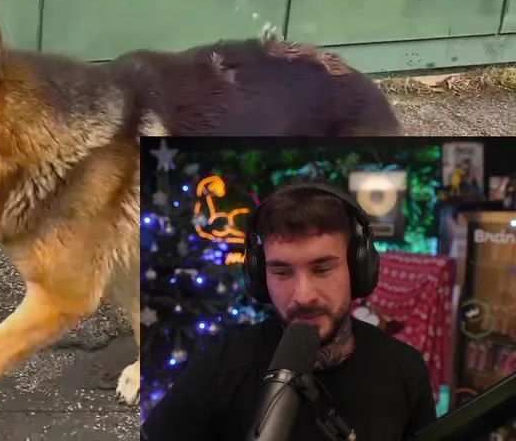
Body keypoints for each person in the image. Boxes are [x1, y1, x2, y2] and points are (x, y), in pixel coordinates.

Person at [142, 180, 438, 441]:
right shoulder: (220, 372)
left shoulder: (404, 369)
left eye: (322, 269)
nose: (303, 295)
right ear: (260, 277)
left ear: (358, 267)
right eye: (282, 273)